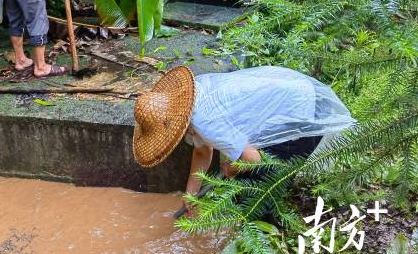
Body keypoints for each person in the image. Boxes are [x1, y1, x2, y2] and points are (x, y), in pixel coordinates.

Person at [132, 66, 355, 213]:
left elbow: (253, 158)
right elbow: (202, 151)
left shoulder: (206, 122)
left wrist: (234, 169)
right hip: (290, 97)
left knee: (251, 198)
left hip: (301, 113)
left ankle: (269, 240)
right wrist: (191, 193)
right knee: (243, 187)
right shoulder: (191, 103)